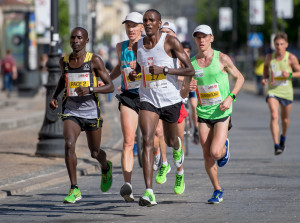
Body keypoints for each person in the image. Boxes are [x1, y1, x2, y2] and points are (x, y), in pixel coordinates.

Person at [129, 9, 194, 206]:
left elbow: (190, 69)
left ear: (159, 23)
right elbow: (142, 68)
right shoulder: (137, 46)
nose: (148, 23)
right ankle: (149, 191)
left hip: (170, 99)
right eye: (145, 20)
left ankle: (177, 150)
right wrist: (136, 74)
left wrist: (166, 70)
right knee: (148, 140)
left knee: (172, 139)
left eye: (152, 20)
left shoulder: (169, 41)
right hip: (148, 98)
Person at [49, 27, 114, 203]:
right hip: (71, 110)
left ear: (86, 40)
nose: (75, 41)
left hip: (91, 111)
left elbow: (110, 86)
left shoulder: (95, 61)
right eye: (72, 38)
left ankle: (106, 166)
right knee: (69, 144)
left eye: (79, 38)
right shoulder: (64, 61)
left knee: (94, 152)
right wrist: (55, 96)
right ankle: (74, 188)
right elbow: (64, 79)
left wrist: (90, 89)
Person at [191, 25, 244, 204]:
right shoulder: (191, 63)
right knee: (206, 154)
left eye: (204, 37)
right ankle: (217, 189)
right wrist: (187, 88)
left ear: (211, 38)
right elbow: (184, 92)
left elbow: (240, 78)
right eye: (198, 37)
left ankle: (224, 148)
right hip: (203, 112)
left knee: (215, 152)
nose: (201, 40)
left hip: (222, 111)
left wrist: (230, 97)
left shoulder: (222, 58)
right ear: (195, 40)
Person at [109, 12, 144, 202]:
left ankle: (157, 155)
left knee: (152, 140)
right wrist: (106, 78)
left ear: (141, 28)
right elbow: (119, 66)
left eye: (134, 25)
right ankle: (128, 185)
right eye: (127, 25)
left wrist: (139, 66)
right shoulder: (120, 47)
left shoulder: (149, 46)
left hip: (148, 97)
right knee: (128, 141)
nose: (130, 29)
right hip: (128, 96)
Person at [153, 21, 187, 195]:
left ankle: (180, 173)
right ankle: (164, 164)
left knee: (174, 139)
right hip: (157, 98)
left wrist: (166, 71)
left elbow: (188, 74)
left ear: (174, 34)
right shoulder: (156, 50)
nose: (165, 34)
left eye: (168, 32)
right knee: (157, 132)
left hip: (176, 99)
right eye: (162, 31)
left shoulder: (178, 51)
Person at [261, 32, 300, 155]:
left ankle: (283, 136)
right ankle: (276, 145)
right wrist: (264, 77)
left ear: (286, 45)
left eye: (281, 44)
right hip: (273, 90)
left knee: (285, 119)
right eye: (277, 44)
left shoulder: (291, 58)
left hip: (286, 92)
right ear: (274, 45)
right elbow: (266, 67)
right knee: (274, 115)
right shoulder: (269, 57)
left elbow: (299, 72)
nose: (279, 46)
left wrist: (289, 74)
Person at [181, 41, 199, 144]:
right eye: (183, 51)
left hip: (191, 88)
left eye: (188, 52)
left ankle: (196, 128)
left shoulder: (192, 62)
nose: (185, 54)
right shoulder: (177, 62)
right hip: (181, 89)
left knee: (193, 104)